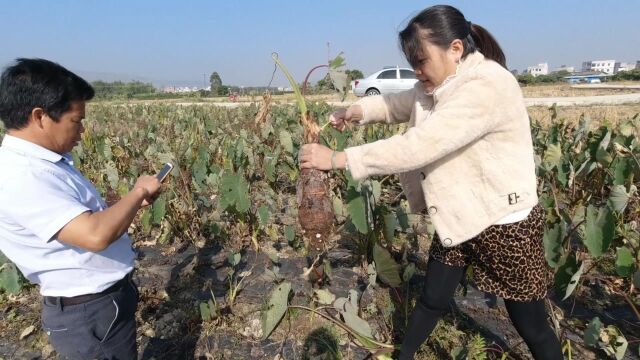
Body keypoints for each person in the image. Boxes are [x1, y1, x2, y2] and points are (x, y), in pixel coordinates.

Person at [299, 5, 563, 360]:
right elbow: (399, 103)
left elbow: (420, 145)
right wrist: (356, 111)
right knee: (433, 297)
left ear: (455, 48)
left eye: (421, 60)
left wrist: (337, 159)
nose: (417, 70)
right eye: (413, 62)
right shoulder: (438, 82)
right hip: (459, 210)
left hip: (504, 219)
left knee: (530, 323)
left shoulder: (487, 85)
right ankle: (404, 355)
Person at [0, 58, 162, 360]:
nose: (83, 130)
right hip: (86, 315)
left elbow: (87, 221)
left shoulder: (43, 163)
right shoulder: (22, 176)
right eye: (76, 121)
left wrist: (133, 202)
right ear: (40, 116)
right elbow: (94, 234)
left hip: (98, 307)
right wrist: (138, 191)